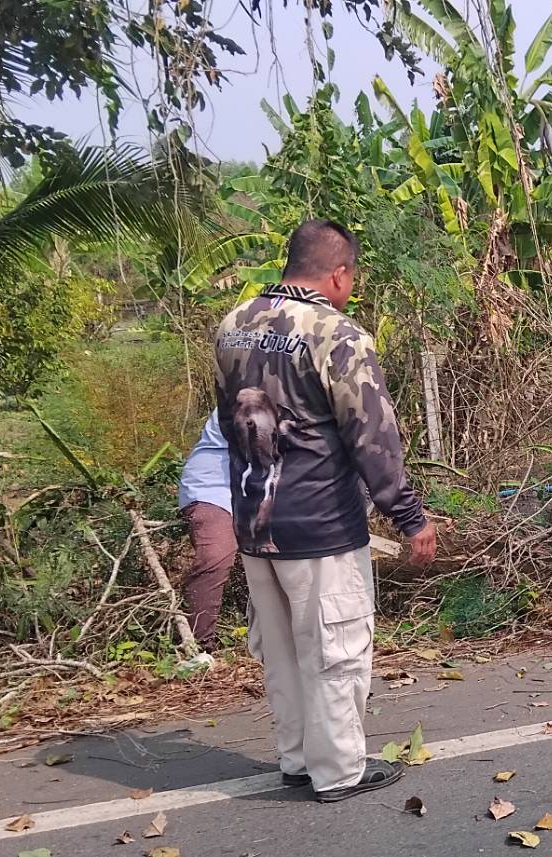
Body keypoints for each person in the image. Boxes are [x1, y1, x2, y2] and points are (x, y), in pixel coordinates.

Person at [213, 218, 437, 802]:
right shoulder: (337, 335)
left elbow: (227, 424)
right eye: (351, 278)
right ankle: (338, 770)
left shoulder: (232, 327)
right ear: (338, 274)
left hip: (255, 526)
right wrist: (409, 516)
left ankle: (297, 760)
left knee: (282, 651)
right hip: (322, 528)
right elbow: (372, 438)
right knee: (336, 651)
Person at [177, 412, 237, 645]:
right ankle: (197, 646)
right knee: (216, 554)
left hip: (259, 488)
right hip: (214, 487)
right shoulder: (246, 396)